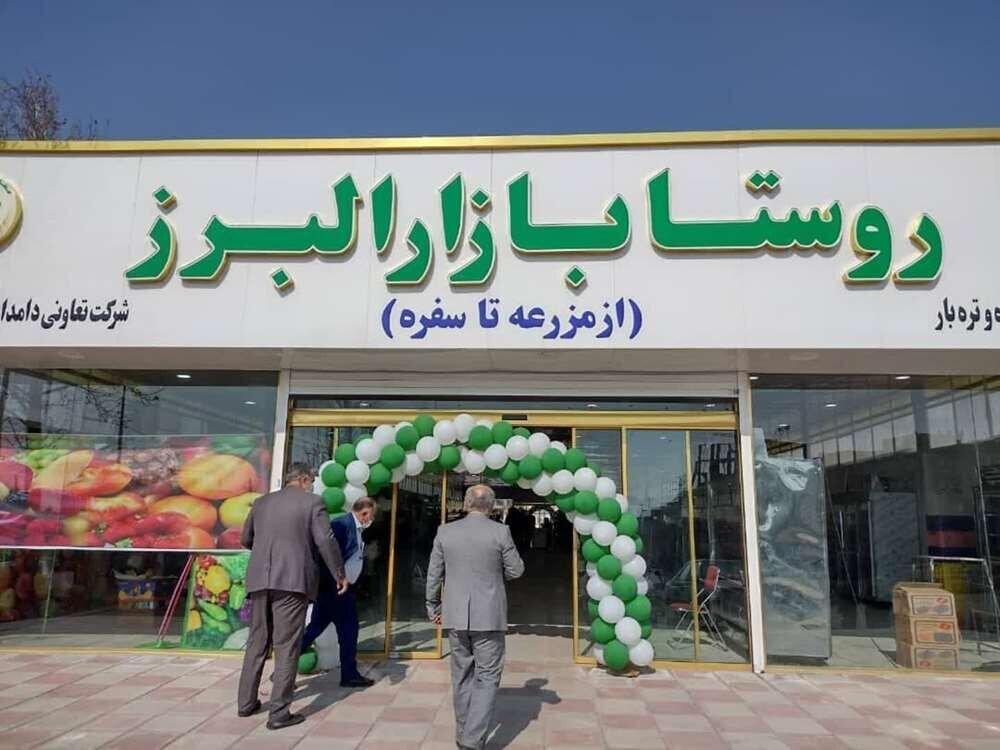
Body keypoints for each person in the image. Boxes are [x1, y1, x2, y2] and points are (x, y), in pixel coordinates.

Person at [236, 463, 348, 730]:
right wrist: (339, 573)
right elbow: (325, 540)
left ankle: (246, 703)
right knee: (287, 646)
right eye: (311, 481)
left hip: (259, 580)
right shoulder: (312, 503)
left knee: (257, 642)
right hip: (292, 581)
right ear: (304, 479)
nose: (313, 486)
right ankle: (279, 713)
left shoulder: (261, 502)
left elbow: (245, 538)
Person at [426, 484, 525, 750]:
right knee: (487, 677)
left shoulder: (445, 531)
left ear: (467, 504)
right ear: (491, 506)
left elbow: (434, 573)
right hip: (489, 615)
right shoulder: (500, 532)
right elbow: (516, 570)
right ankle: (472, 740)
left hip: (455, 615)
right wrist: (494, 574)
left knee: (461, 676)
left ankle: (463, 733)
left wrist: (433, 606)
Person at [300, 496, 378, 688]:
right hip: (337, 589)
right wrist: (338, 580)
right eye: (372, 515)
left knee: (315, 628)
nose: (372, 519)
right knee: (349, 631)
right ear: (365, 512)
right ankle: (349, 675)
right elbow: (327, 555)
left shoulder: (356, 528)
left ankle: (283, 667)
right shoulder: (342, 525)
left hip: (340, 589)